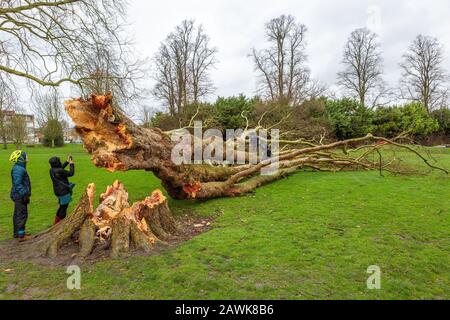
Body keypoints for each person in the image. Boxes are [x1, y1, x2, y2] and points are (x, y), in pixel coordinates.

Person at [9, 150, 32, 241]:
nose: (27, 157)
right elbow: (17, 183)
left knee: (17, 214)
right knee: (22, 215)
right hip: (20, 196)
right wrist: (24, 194)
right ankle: (21, 236)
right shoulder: (19, 169)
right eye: (25, 156)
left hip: (18, 195)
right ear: (21, 158)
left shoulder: (19, 168)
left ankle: (17, 233)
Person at [49, 155, 75, 225]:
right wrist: (71, 164)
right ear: (57, 163)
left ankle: (56, 221)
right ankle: (60, 223)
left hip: (57, 191)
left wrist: (67, 162)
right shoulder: (59, 170)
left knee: (61, 206)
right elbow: (71, 173)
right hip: (64, 191)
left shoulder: (52, 170)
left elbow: (60, 169)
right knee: (64, 207)